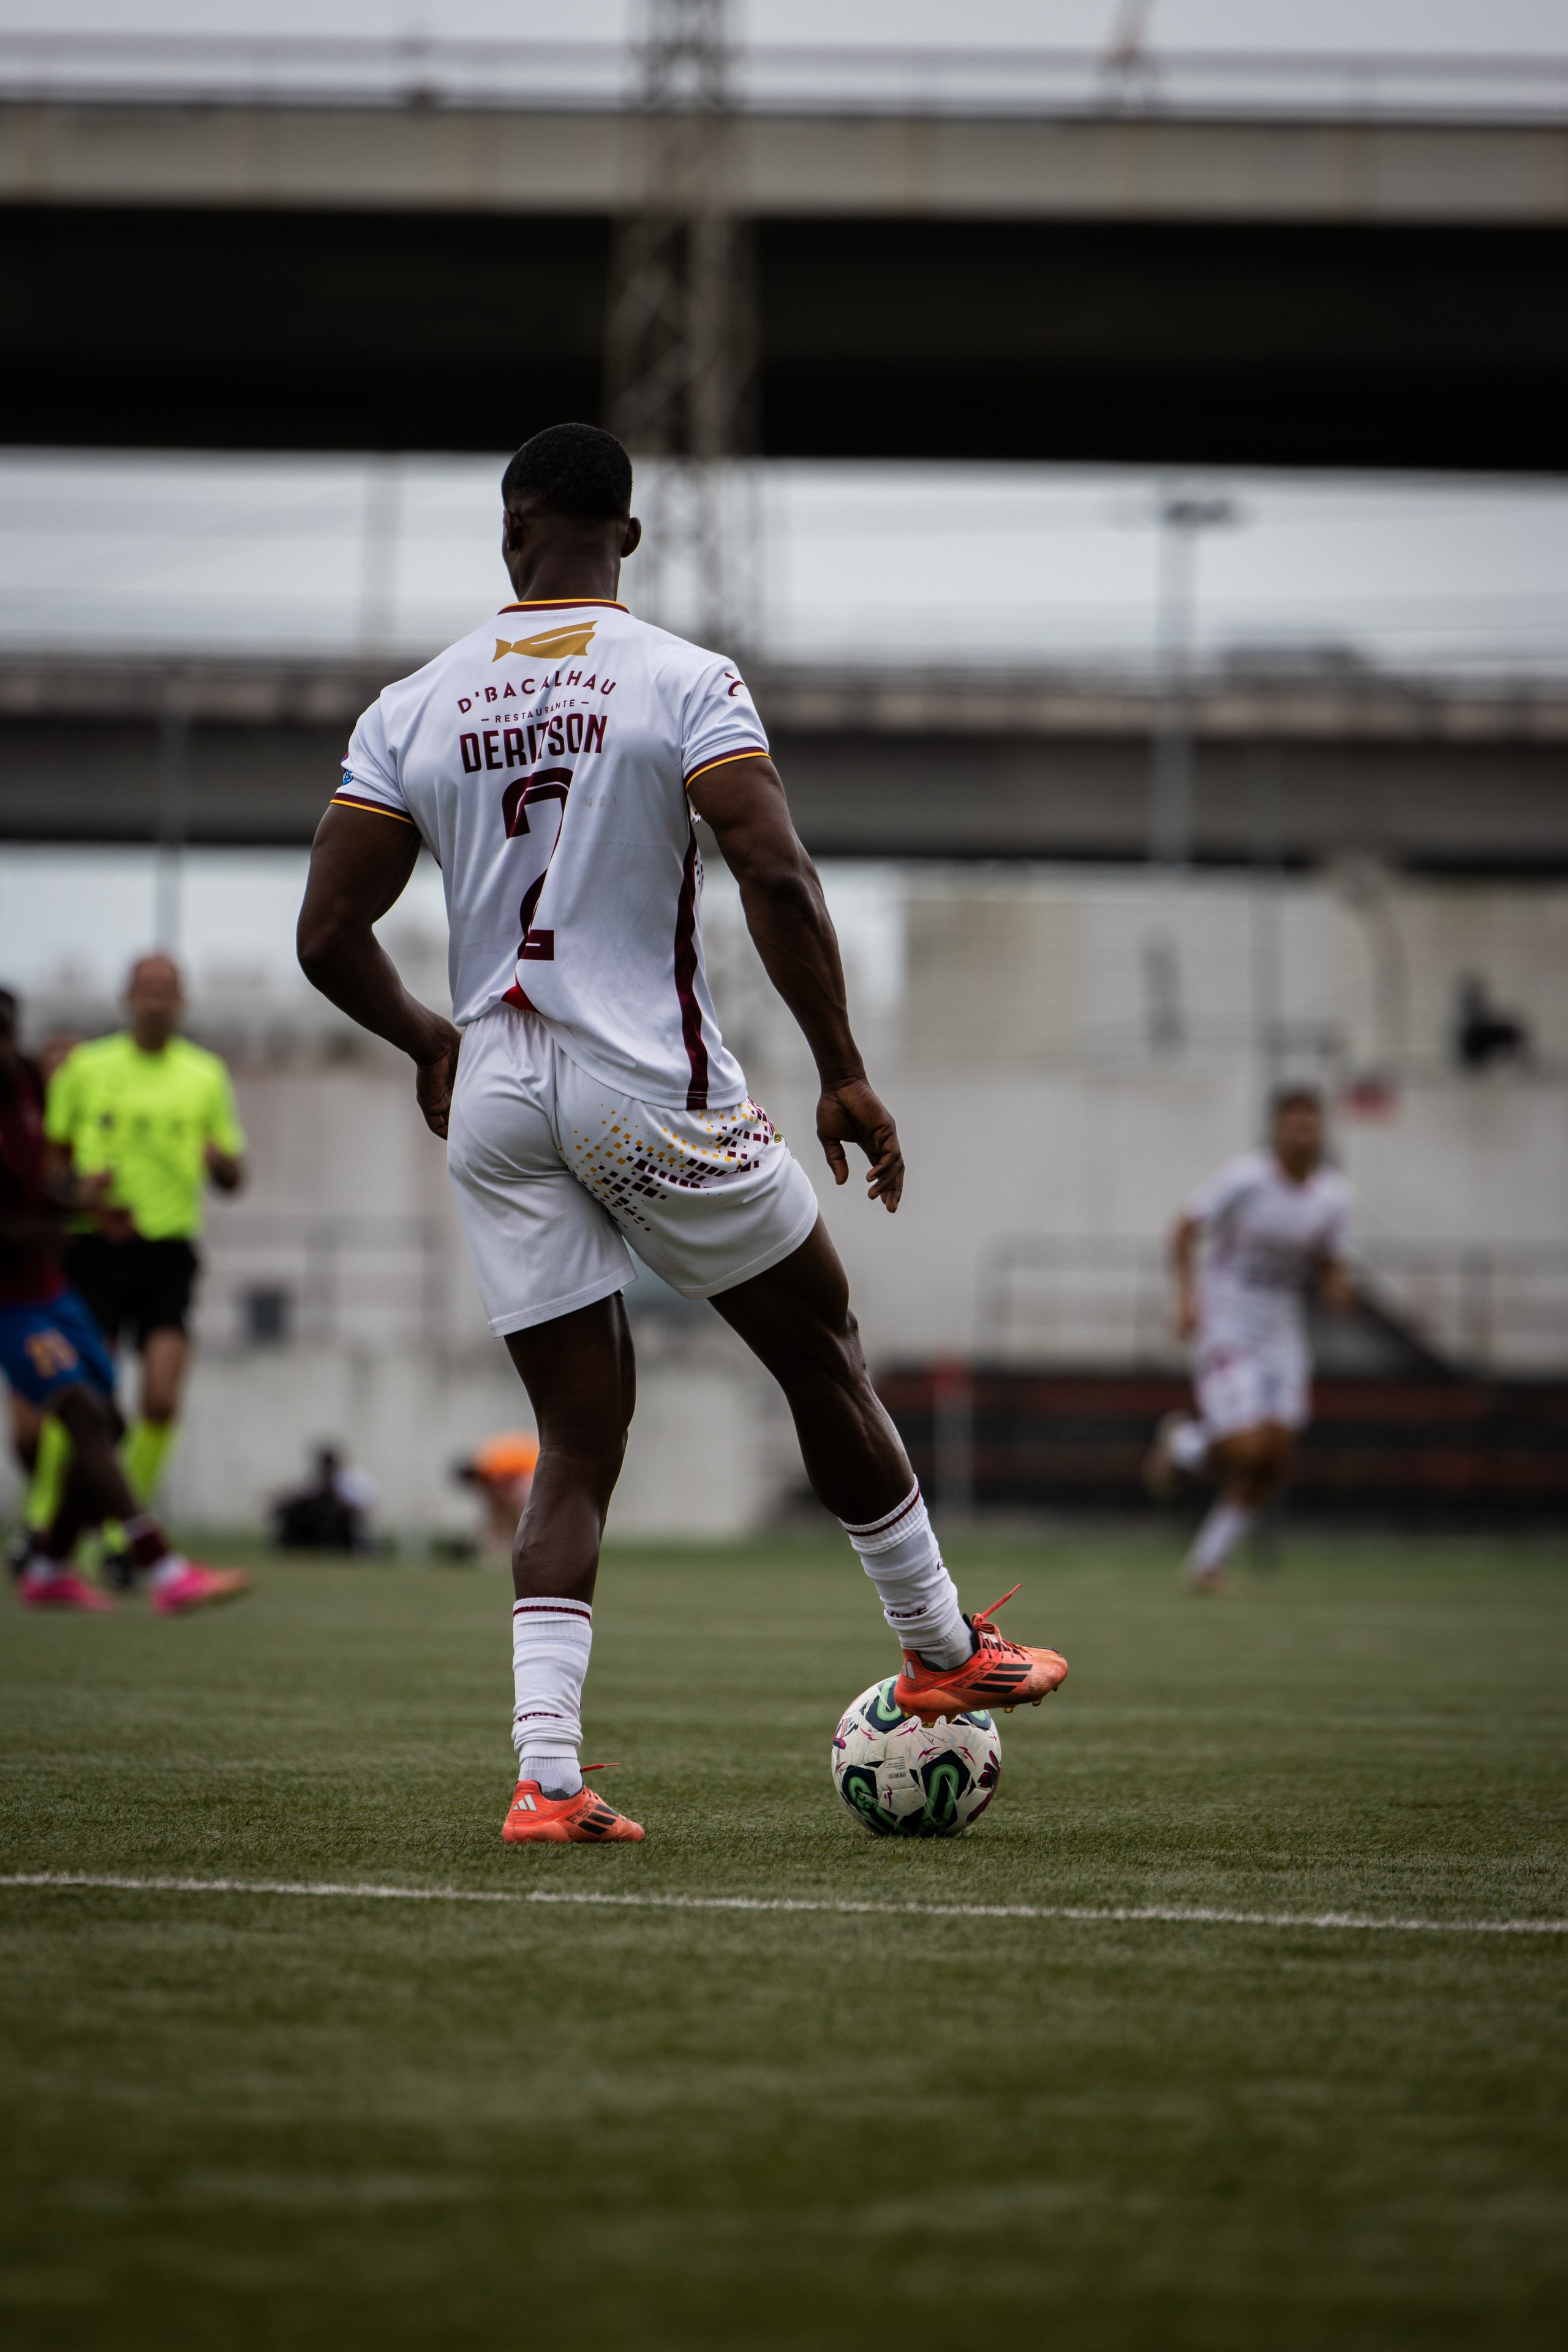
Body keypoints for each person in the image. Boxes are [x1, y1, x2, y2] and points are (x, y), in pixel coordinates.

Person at [298, 420, 1068, 1847]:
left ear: (510, 531)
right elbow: (771, 875)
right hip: (642, 1083)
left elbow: (327, 934)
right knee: (817, 1341)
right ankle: (938, 1640)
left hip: (496, 1098)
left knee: (574, 1439)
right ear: (627, 539)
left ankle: (545, 1781)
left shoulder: (411, 704)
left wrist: (431, 1041)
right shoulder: (679, 678)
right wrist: (841, 1067)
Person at [0, 986, 249, 1614]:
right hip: (18, 1294)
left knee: (110, 1418)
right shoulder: (62, 1083)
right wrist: (74, 1223)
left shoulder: (26, 1089)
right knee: (81, 1413)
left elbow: (42, 1189)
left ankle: (52, 1564)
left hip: (68, 1280)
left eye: (8, 1031)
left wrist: (83, 1203)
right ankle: (159, 1567)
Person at [45, 954, 246, 1536]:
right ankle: (42, 1529)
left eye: (167, 990)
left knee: (159, 1401)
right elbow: (51, 1169)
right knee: (87, 1402)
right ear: (127, 997)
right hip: (97, 1247)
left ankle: (122, 1534)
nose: (156, 1000)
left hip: (168, 1253)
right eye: (146, 989)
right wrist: (80, 1193)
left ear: (182, 1002)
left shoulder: (205, 1074)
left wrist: (221, 1164)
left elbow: (234, 1176)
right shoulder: (86, 1067)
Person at [1144, 1086, 1355, 1591]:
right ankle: (1184, 1445)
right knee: (1246, 1449)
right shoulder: (1246, 1180)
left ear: (1320, 1131)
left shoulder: (1333, 1197)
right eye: (1293, 1124)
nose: (1302, 1134)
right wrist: (1187, 1299)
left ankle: (1207, 1563)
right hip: (1228, 1327)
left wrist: (1336, 1287)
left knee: (1275, 1457)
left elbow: (1330, 1261)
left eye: (1310, 1125)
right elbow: (1183, 1229)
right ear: (1278, 1130)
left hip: (1283, 1337)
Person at [456, 1431, 540, 1562]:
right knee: (510, 1510)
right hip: (532, 1470)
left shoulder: (490, 1468)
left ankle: (521, 1544)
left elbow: (502, 1493)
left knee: (518, 1511)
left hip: (533, 1471)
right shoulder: (485, 1462)